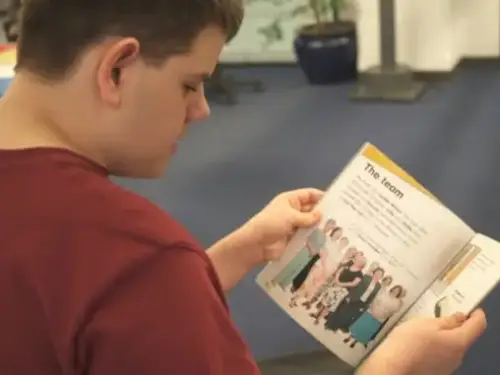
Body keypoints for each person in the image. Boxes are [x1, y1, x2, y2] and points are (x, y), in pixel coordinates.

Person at [0, 0, 487, 374]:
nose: (201, 110)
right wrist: (395, 367)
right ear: (116, 70)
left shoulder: (129, 266)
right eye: (190, 84)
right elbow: (123, 288)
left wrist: (231, 254)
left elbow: (79, 314)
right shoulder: (139, 256)